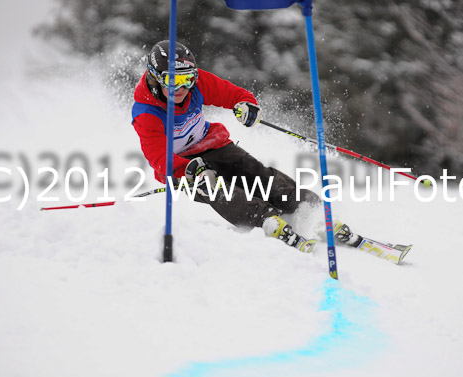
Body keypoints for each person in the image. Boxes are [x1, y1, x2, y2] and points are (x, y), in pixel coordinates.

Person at [131, 40, 361, 252]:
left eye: (187, 79)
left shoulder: (198, 85)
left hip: (211, 143)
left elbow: (233, 94)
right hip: (183, 167)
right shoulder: (146, 113)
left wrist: (246, 105)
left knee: (252, 171)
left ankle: (308, 208)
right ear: (155, 78)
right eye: (172, 81)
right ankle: (265, 219)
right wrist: (190, 170)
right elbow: (159, 157)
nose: (180, 88)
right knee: (216, 189)